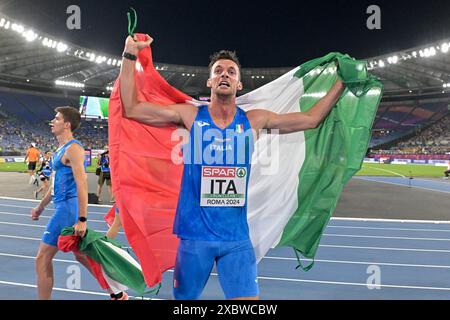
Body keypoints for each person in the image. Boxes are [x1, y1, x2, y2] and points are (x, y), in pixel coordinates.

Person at [119, 34, 345, 300]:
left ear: (238, 84)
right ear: (210, 81)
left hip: (236, 240)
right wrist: (129, 55)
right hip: (194, 238)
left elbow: (311, 118)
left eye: (231, 72)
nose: (224, 74)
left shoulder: (254, 120)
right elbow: (132, 108)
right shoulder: (190, 116)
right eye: (218, 71)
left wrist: (341, 83)